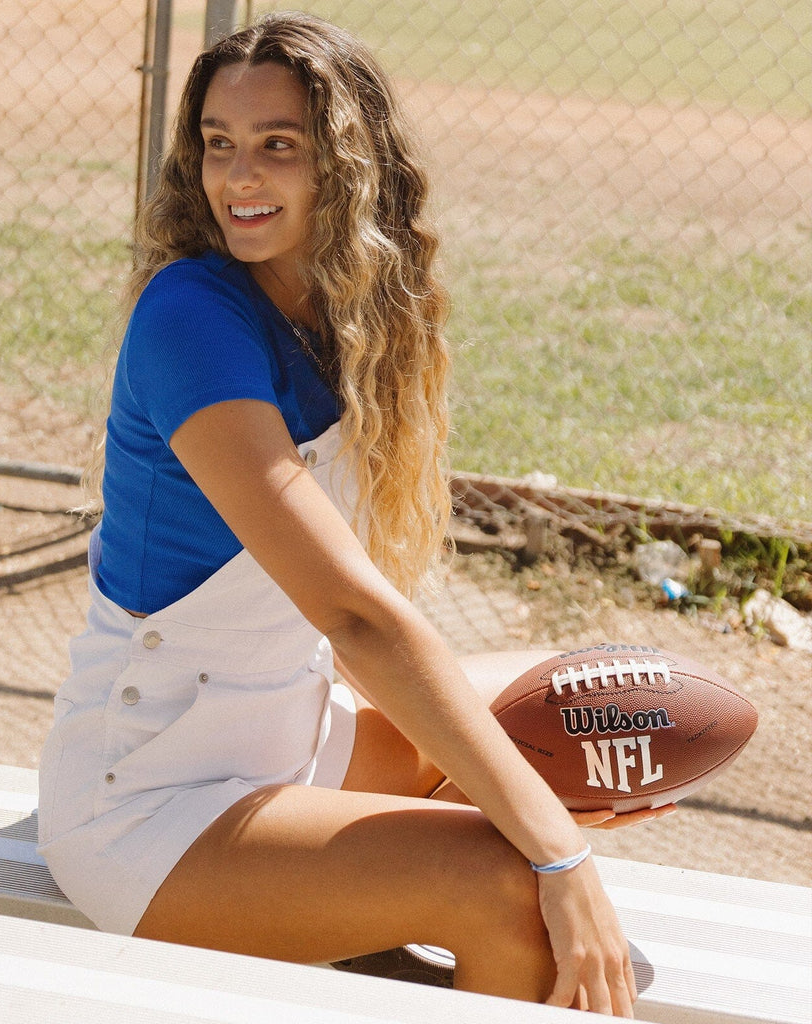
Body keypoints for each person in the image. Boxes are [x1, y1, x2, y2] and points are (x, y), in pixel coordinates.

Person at [38, 13, 670, 1015]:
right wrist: (560, 849)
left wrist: (545, 787)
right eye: (218, 144)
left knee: (574, 705)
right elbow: (356, 617)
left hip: (284, 729)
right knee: (509, 887)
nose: (239, 178)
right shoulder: (191, 318)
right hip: (151, 798)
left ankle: (384, 951)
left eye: (276, 146)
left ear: (343, 165)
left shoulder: (336, 313)